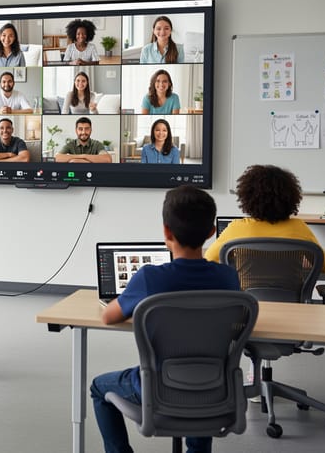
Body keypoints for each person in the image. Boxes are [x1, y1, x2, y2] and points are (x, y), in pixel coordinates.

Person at [90, 185, 240, 453]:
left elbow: (108, 317)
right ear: (211, 232)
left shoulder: (149, 278)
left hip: (157, 385)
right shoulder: (228, 278)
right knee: (199, 389)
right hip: (214, 385)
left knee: (99, 387)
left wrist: (129, 299)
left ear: (166, 232)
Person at [204, 164, 325, 271]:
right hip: (290, 299)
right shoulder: (299, 228)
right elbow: (324, 266)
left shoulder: (236, 229)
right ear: (291, 198)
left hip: (248, 300)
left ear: (247, 198)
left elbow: (209, 259)